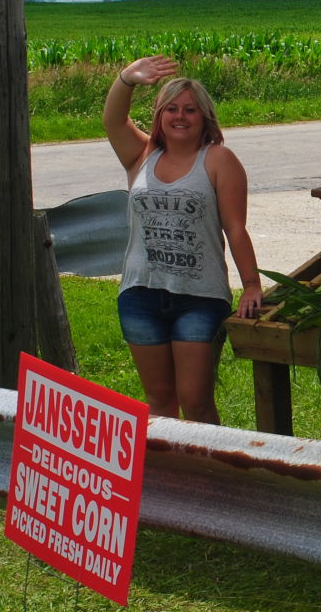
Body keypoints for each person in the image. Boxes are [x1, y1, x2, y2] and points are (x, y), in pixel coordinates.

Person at [103, 55, 262, 424]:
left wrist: (252, 285)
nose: (180, 116)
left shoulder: (219, 160)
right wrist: (126, 80)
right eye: (171, 108)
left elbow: (235, 228)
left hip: (200, 298)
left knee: (195, 402)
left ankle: (209, 477)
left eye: (190, 109)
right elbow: (113, 121)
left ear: (204, 117)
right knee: (159, 400)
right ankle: (168, 479)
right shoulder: (140, 155)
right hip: (141, 294)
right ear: (159, 115)